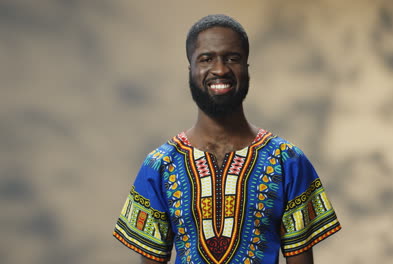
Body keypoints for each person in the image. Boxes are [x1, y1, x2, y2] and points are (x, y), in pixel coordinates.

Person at [113, 14, 341, 264]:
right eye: (206, 59)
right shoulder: (159, 165)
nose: (220, 69)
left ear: (247, 68)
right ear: (191, 69)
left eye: (233, 58)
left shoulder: (288, 161)